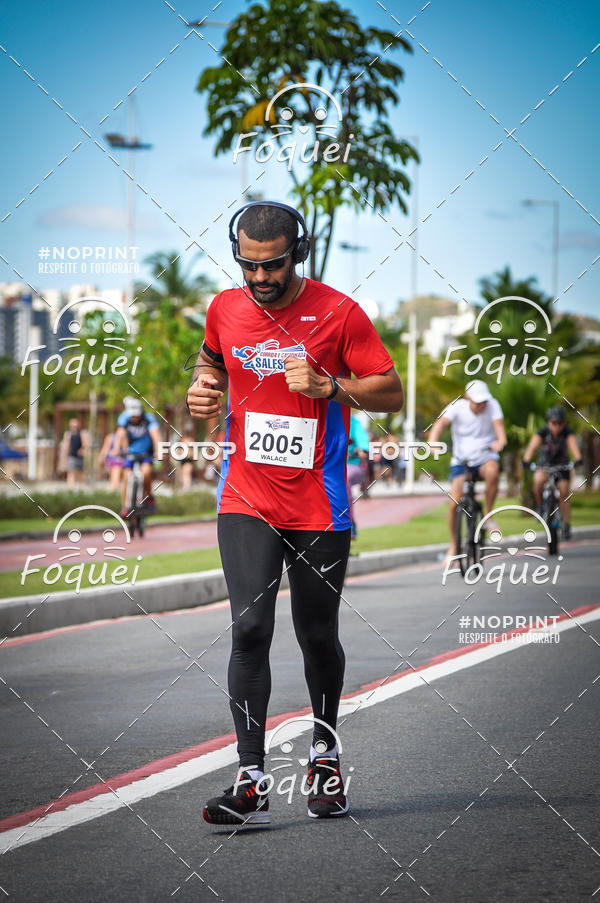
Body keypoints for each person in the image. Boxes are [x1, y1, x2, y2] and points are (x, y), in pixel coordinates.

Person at [187, 200, 403, 825]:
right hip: (246, 496)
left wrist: (333, 387)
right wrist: (202, 386)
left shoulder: (339, 312)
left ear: (297, 253)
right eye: (248, 265)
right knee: (250, 630)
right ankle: (251, 779)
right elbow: (209, 357)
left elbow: (390, 392)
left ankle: (325, 755)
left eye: (272, 265)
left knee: (315, 636)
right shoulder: (225, 308)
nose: (259, 278)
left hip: (319, 505)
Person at [427, 379, 506, 563]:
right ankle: (454, 545)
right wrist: (433, 441)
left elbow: (500, 429)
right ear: (467, 398)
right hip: (462, 460)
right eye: (476, 402)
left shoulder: (493, 405)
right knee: (454, 502)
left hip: (485, 456)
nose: (480, 406)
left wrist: (500, 441)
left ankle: (488, 515)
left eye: (483, 402)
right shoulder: (457, 407)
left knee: (493, 471)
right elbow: (440, 424)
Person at [522, 405, 583, 539]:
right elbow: (532, 447)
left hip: (562, 466)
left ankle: (566, 525)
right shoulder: (542, 432)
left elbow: (574, 447)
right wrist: (526, 460)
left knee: (564, 492)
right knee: (538, 481)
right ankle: (540, 506)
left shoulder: (567, 433)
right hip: (545, 465)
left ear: (563, 423)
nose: (557, 426)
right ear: (548, 422)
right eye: (553, 423)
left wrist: (578, 459)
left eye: (560, 423)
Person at [116, 396, 161, 518]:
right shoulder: (124, 418)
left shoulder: (149, 419)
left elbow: (156, 436)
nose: (134, 418)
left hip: (146, 452)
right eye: (132, 416)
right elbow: (121, 434)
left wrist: (159, 451)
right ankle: (125, 507)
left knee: (146, 473)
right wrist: (119, 450)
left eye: (136, 415)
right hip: (131, 453)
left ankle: (149, 497)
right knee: (126, 476)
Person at [346, 414, 370, 539]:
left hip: (352, 466)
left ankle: (350, 523)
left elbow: (363, 449)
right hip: (327, 466)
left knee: (344, 479)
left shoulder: (354, 423)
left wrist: (361, 451)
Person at [60, 417, 89, 487]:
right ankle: (71, 488)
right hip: (71, 456)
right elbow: (66, 447)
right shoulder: (68, 434)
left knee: (80, 473)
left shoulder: (82, 433)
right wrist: (64, 458)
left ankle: (81, 489)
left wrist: (83, 450)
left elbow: (86, 443)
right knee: (71, 473)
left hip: (80, 457)